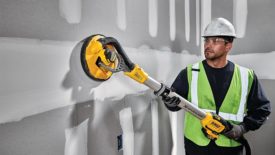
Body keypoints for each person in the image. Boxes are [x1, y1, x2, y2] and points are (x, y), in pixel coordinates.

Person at [163, 17, 271, 155]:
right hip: (196, 146)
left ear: (228, 46)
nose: (208, 45)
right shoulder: (190, 73)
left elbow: (262, 109)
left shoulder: (246, 76)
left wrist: (241, 129)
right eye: (206, 40)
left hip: (230, 147)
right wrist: (169, 102)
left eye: (214, 41)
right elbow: (173, 105)